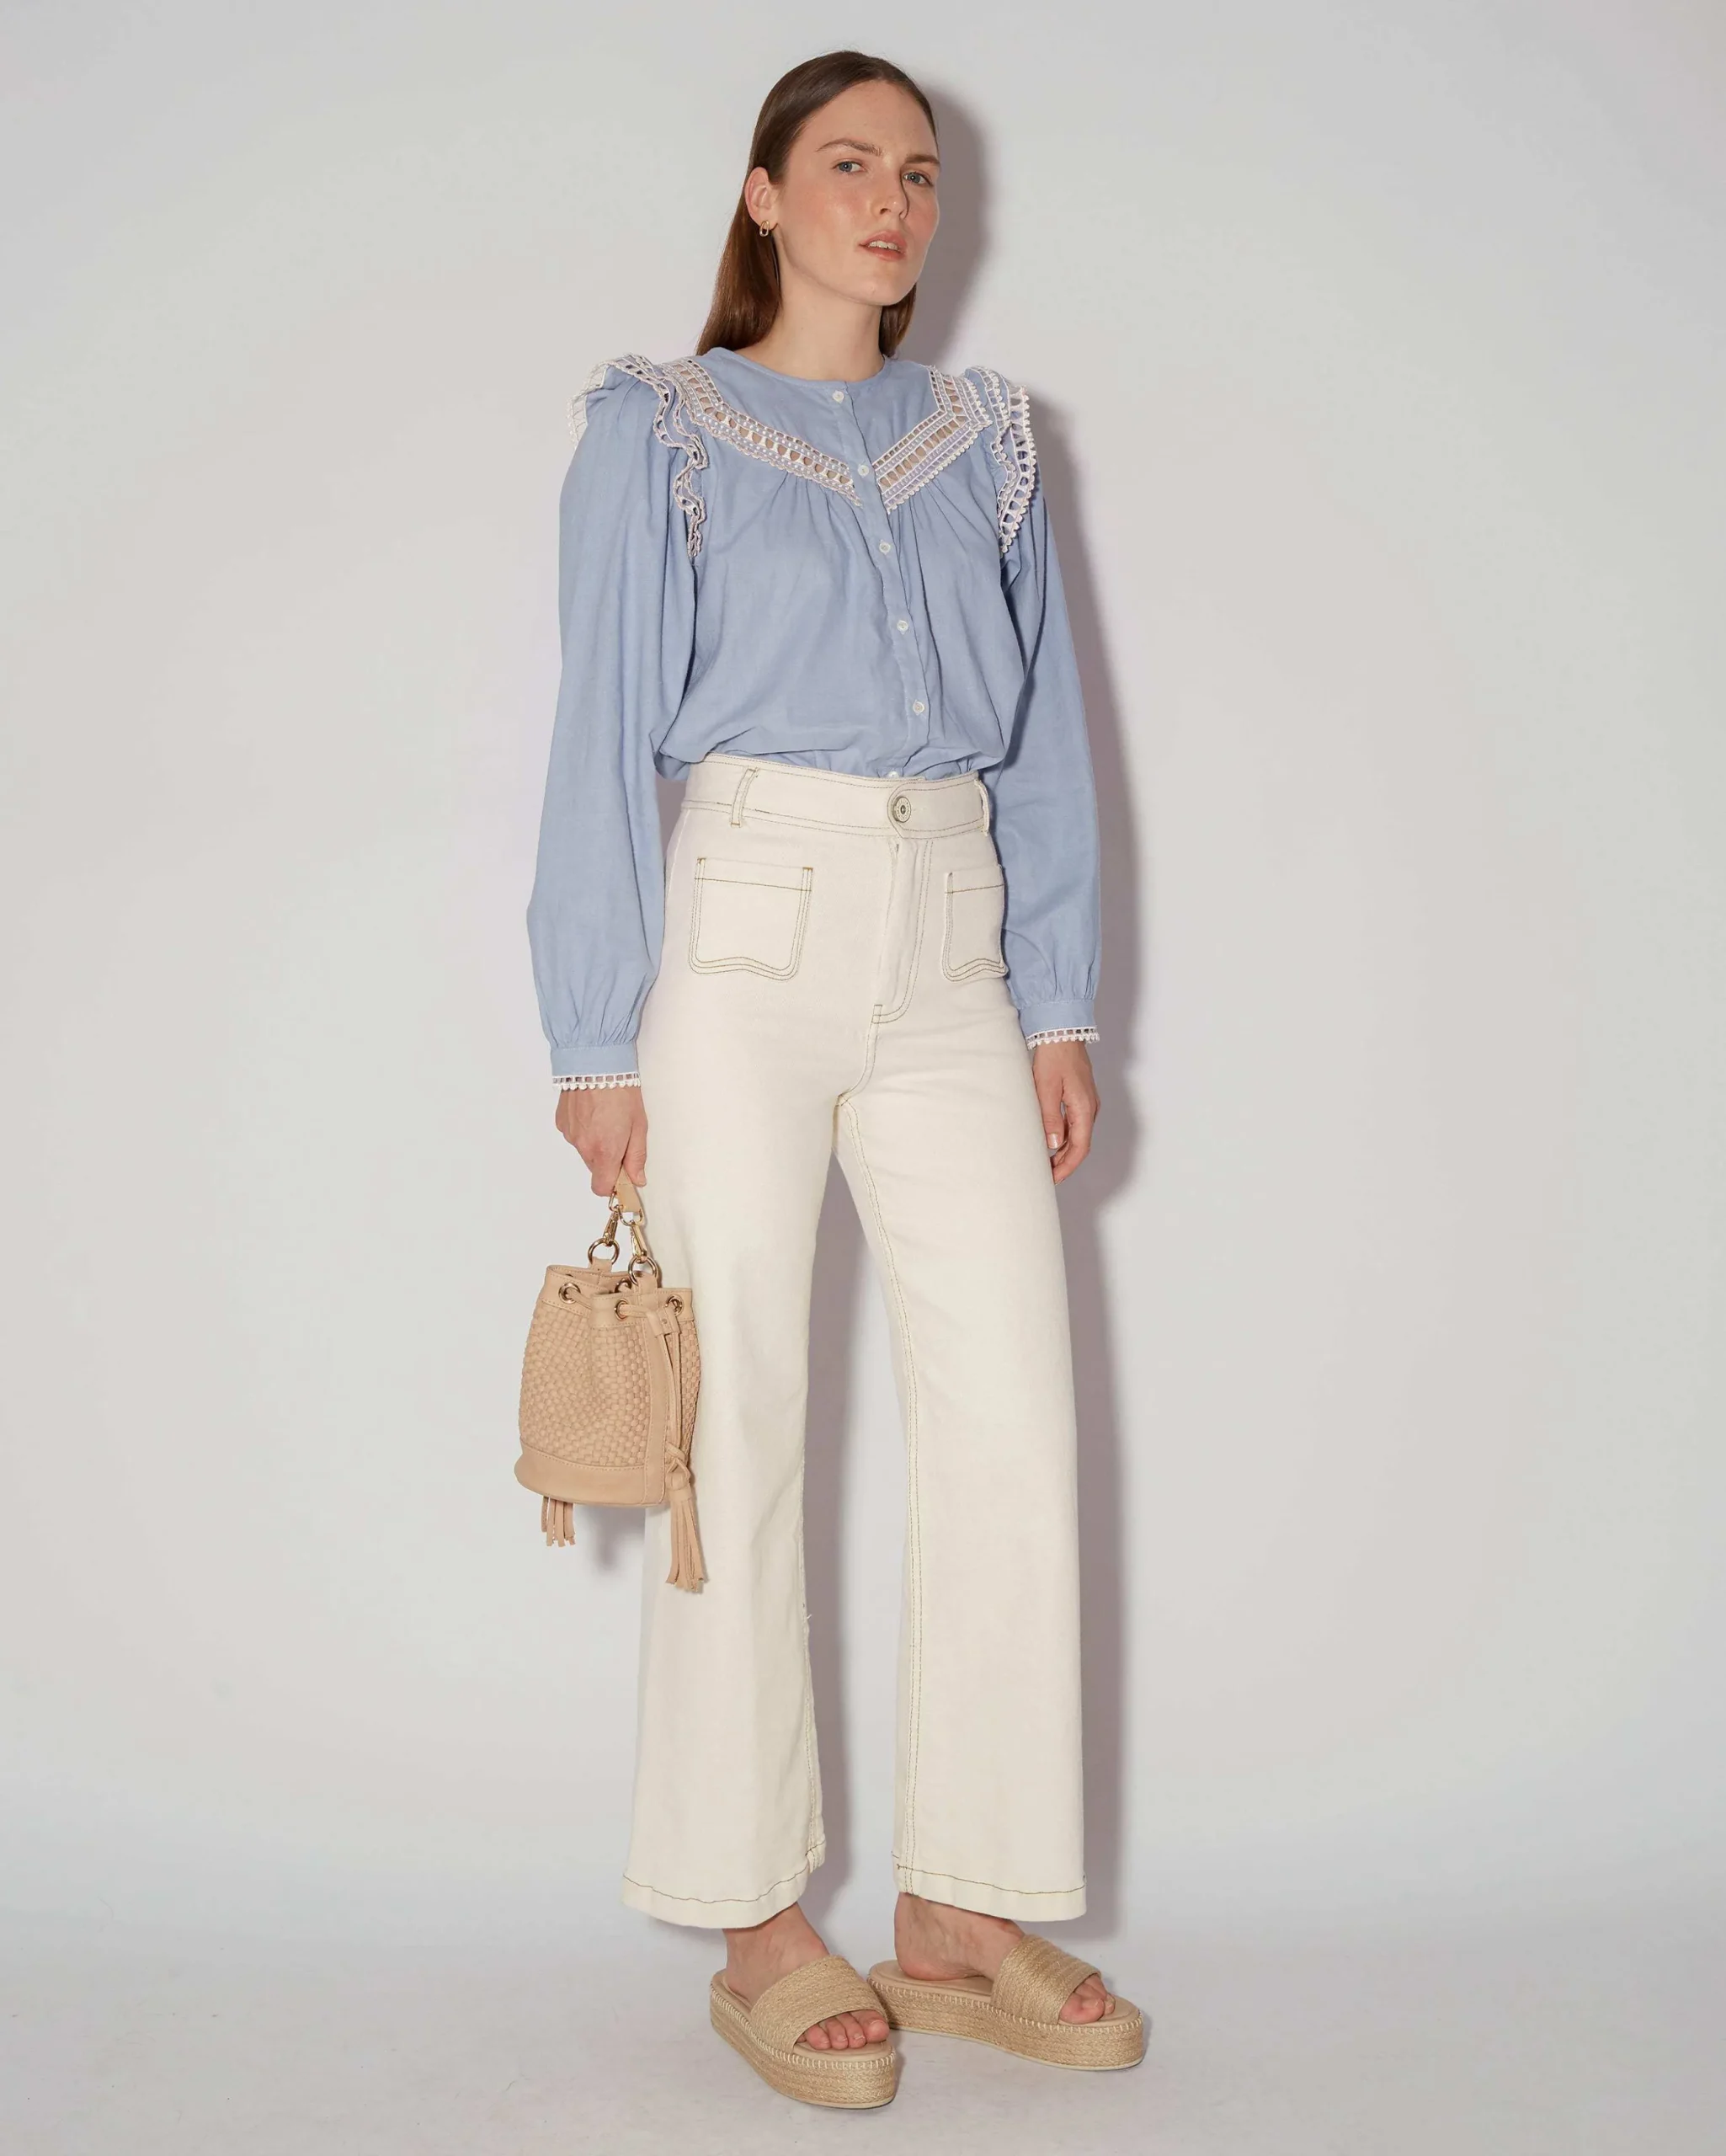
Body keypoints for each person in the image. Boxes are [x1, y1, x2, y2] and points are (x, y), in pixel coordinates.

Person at [525, 49, 1143, 2107]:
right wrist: (592, 1033)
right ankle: (749, 1913)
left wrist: (1056, 1002)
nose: (891, 204)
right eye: (851, 165)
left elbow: (1042, 734)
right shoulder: (660, 427)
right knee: (738, 1425)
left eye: (920, 175)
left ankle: (960, 1905)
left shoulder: (989, 441)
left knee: (1011, 1414)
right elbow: (598, 731)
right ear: (765, 193)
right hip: (742, 936)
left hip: (952, 937)